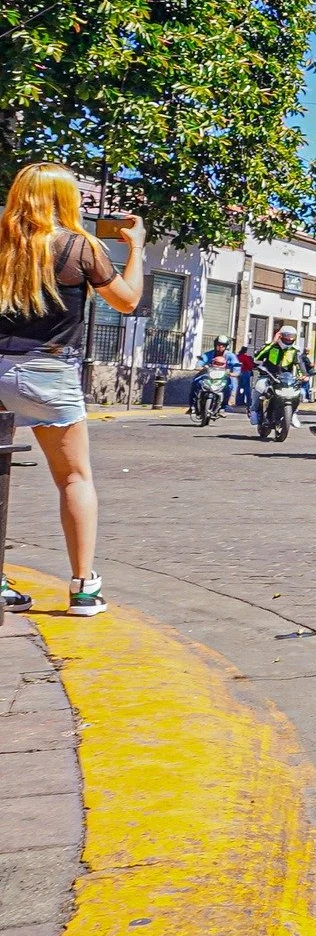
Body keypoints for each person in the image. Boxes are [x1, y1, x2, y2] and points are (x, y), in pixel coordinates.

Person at [0, 164, 144, 617]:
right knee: (73, 478)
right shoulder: (80, 246)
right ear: (65, 200)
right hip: (48, 370)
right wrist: (135, 250)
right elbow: (127, 301)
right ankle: (83, 588)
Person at [250, 324, 310, 427]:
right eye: (286, 337)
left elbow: (299, 363)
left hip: (286, 378)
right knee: (259, 387)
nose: (289, 340)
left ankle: (293, 413)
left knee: (300, 392)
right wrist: (273, 342)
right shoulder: (271, 346)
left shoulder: (294, 350)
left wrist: (303, 375)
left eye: (291, 338)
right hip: (268, 375)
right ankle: (254, 411)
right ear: (280, 336)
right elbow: (257, 357)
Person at [188, 334, 235, 416]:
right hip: (207, 376)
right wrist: (201, 367)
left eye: (223, 345)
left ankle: (222, 408)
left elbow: (236, 366)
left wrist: (232, 372)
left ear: (226, 346)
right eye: (218, 344)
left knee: (229, 387)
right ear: (215, 345)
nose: (220, 347)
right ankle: (192, 406)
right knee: (196, 382)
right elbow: (200, 363)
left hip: (222, 377)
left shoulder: (230, 356)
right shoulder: (208, 354)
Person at [235, 343, 254, 409]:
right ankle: (249, 402)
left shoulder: (237, 356)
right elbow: (249, 366)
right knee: (247, 388)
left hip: (238, 373)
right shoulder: (245, 357)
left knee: (240, 388)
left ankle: (239, 401)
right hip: (245, 372)